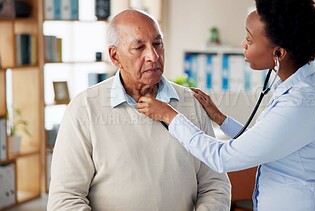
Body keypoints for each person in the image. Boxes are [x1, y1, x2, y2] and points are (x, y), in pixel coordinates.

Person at [136, 0, 315, 210]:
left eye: (249, 38)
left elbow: (223, 157)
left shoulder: (301, 102)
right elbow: (264, 141)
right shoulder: (300, 81)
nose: (243, 44)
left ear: (279, 53)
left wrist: (169, 115)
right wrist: (221, 119)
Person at [47, 9, 231, 211]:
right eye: (139, 47)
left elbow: (215, 185)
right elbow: (65, 200)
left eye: (157, 44)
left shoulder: (192, 103)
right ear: (115, 56)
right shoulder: (84, 109)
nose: (153, 56)